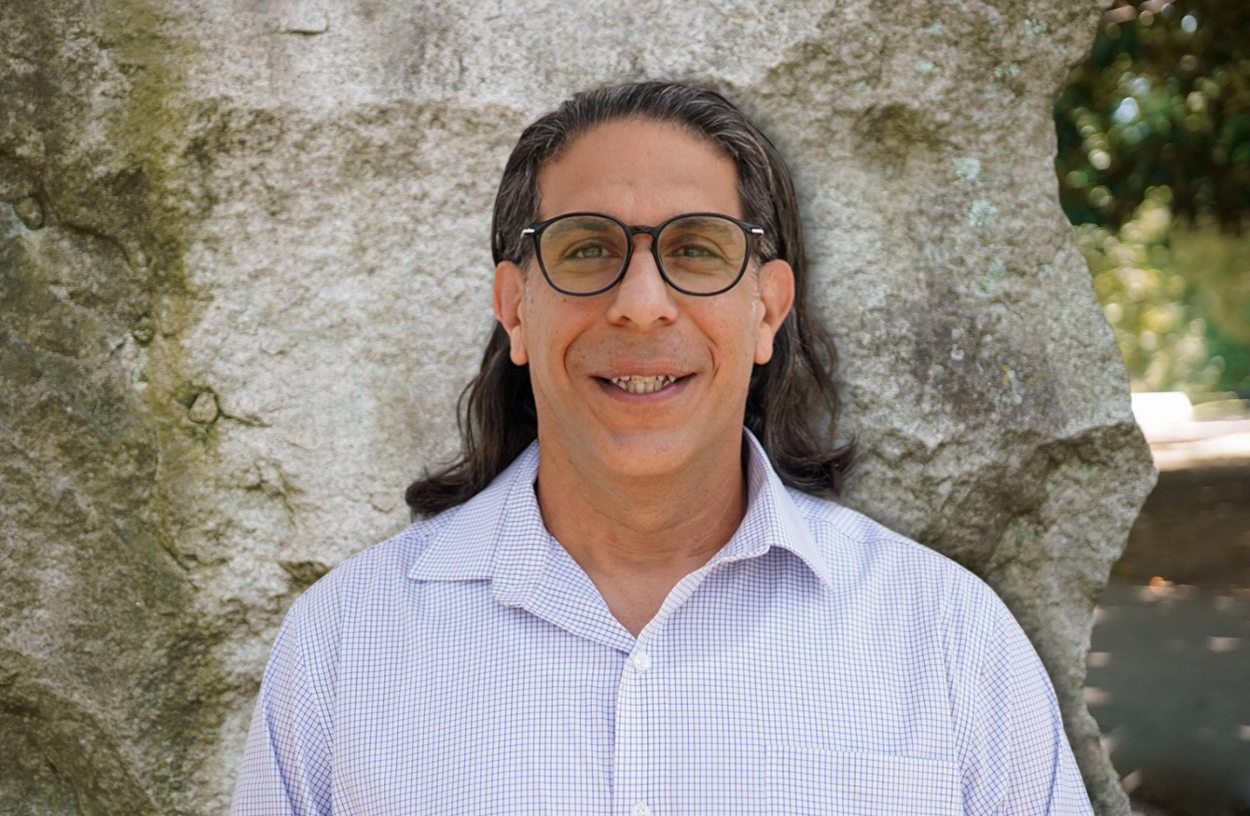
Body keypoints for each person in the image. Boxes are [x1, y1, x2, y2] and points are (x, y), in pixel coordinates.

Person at [231, 81, 1094, 815]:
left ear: (766, 308)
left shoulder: (948, 639)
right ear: (514, 308)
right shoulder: (345, 647)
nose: (641, 303)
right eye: (587, 249)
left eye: (695, 250)